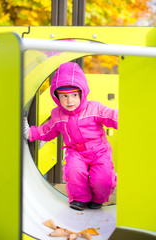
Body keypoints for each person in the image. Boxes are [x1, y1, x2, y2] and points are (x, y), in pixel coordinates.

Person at [24, 62, 118, 211]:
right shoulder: (58, 115)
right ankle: (80, 199)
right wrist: (30, 132)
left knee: (102, 178)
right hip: (75, 152)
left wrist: (123, 117)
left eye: (74, 95)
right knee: (74, 171)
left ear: (82, 93)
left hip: (98, 151)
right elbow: (48, 130)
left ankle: (98, 199)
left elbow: (110, 116)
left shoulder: (94, 108)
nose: (69, 101)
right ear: (57, 97)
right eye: (64, 96)